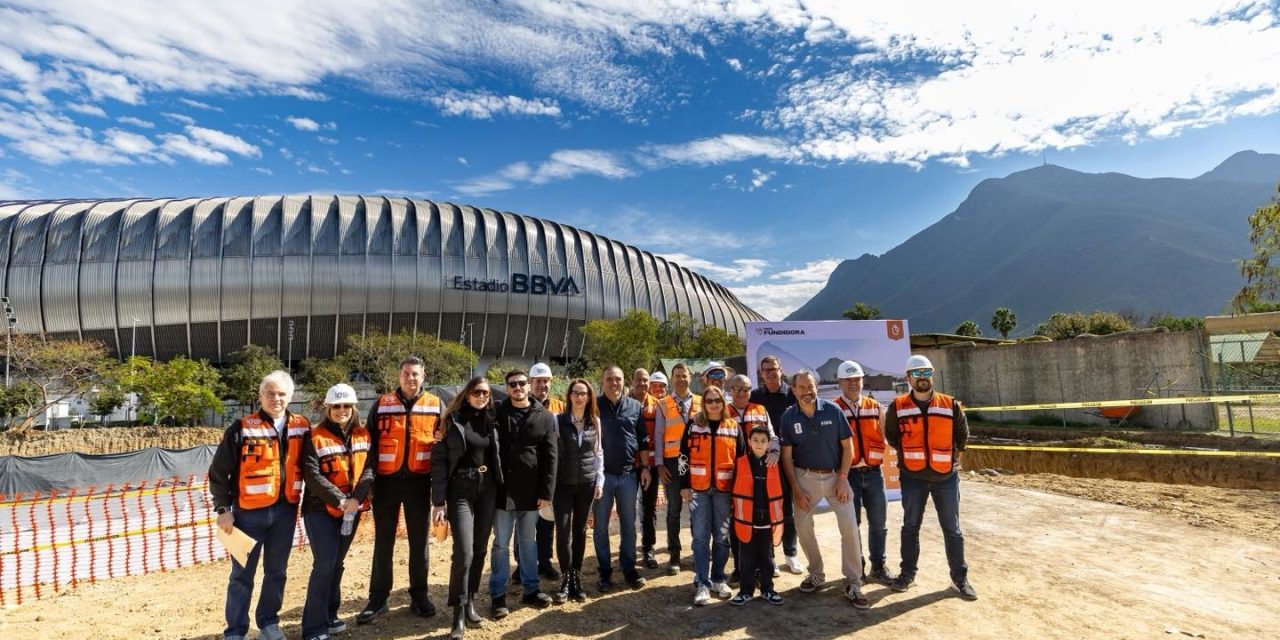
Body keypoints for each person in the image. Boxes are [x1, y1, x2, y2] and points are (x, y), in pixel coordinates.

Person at [209, 370, 309, 640]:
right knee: (241, 576)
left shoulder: (303, 426)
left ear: (290, 397)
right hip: (247, 515)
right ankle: (236, 631)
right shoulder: (242, 428)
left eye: (281, 394)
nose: (276, 398)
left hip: (285, 512)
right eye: (270, 393)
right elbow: (219, 472)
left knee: (277, 572)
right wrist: (223, 509)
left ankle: (268, 623)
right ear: (260, 396)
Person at [884, 354, 977, 600]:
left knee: (952, 530)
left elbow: (962, 435)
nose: (923, 378)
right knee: (910, 526)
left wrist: (950, 460)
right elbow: (892, 437)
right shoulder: (898, 406)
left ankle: (960, 579)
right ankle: (907, 576)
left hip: (945, 477)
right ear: (908, 378)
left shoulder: (950, 404)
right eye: (917, 374)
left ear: (932, 374)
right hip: (913, 477)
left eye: (927, 373)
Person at [359, 356, 443, 624]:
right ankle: (378, 598)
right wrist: (368, 483)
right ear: (399, 375)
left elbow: (443, 446)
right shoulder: (382, 404)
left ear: (423, 375)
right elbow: (368, 445)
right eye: (406, 373)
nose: (410, 378)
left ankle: (419, 595)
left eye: (415, 374)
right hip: (386, 483)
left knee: (419, 542)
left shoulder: (435, 404)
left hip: (420, 483)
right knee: (384, 542)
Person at [779, 371, 870, 609]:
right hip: (804, 477)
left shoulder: (832, 410)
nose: (807, 391)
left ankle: (853, 582)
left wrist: (842, 478)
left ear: (816, 387)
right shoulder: (788, 417)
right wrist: (796, 489)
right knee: (802, 526)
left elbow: (848, 449)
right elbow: (786, 458)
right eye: (802, 387)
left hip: (835, 477)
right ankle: (816, 573)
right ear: (794, 390)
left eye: (811, 386)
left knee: (850, 526)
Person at [299, 383, 374, 640]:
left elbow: (369, 470)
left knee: (336, 563)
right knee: (325, 563)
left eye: (346, 406)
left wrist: (355, 500)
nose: (341, 410)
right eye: (336, 406)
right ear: (328, 408)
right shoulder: (314, 435)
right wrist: (342, 500)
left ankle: (330, 614)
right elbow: (311, 474)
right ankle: (313, 628)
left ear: (353, 408)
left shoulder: (364, 435)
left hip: (352, 509)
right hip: (319, 510)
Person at [432, 376, 504, 640]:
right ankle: (458, 614)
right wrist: (438, 502)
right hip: (460, 489)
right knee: (463, 551)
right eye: (477, 392)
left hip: (488, 490)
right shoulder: (451, 421)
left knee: (480, 548)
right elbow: (439, 462)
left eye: (486, 392)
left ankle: (471, 600)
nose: (482, 396)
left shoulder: (492, 420)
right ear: (467, 393)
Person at [488, 369, 558, 616]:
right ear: (507, 388)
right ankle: (497, 594)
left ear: (529, 386)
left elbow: (551, 457)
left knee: (528, 542)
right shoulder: (496, 412)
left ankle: (531, 589)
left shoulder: (545, 417)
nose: (517, 387)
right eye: (512, 384)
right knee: (500, 545)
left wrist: (546, 492)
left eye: (521, 383)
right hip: (503, 492)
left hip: (531, 492)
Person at [831, 360, 897, 586]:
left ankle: (879, 566)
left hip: (874, 474)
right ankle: (857, 568)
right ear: (839, 382)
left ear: (862, 380)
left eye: (856, 379)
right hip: (848, 476)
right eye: (848, 379)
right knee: (852, 525)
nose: (853, 383)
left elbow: (889, 436)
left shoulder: (876, 407)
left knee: (879, 523)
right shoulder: (833, 410)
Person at [678, 385, 740, 606]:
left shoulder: (733, 427)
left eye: (718, 400)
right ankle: (702, 582)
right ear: (703, 403)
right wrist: (684, 485)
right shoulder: (693, 425)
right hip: (698, 491)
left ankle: (718, 578)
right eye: (709, 400)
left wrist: (739, 491)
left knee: (722, 538)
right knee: (700, 538)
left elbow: (741, 460)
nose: (714, 404)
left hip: (725, 492)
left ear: (723, 403)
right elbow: (683, 456)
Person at [593, 365, 650, 592]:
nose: (614, 383)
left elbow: (643, 439)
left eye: (618, 379)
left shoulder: (635, 406)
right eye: (609, 379)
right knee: (600, 527)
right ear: (602, 381)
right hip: (602, 476)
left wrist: (645, 467)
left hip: (628, 475)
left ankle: (629, 569)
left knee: (629, 525)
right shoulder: (593, 406)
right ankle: (605, 571)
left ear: (624, 382)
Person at [552, 378, 604, 603]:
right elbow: (552, 454)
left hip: (587, 484)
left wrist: (599, 482)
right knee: (563, 532)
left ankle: (576, 577)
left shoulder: (596, 422)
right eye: (576, 392)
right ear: (569, 395)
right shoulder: (558, 421)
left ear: (589, 396)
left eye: (584, 393)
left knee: (580, 531)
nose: (579, 397)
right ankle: (565, 578)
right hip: (563, 485)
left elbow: (599, 453)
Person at [726, 374, 780, 585]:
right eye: (737, 388)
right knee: (737, 519)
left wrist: (774, 451)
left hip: (760, 473)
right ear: (730, 390)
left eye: (745, 389)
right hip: (735, 473)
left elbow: (772, 436)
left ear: (751, 390)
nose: (741, 393)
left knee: (762, 518)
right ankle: (740, 567)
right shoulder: (723, 411)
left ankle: (766, 564)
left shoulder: (760, 410)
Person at [749, 355, 801, 574]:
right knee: (766, 508)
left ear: (781, 371)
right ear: (761, 373)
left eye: (774, 369)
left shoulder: (792, 394)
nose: (770, 373)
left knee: (788, 510)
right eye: (766, 370)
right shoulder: (755, 396)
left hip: (789, 460)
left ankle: (791, 554)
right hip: (764, 462)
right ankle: (769, 556)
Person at [730, 424, 785, 606]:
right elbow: (733, 490)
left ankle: (767, 589)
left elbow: (781, 491)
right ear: (749, 441)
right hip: (746, 521)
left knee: (767, 558)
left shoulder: (775, 464)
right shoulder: (741, 463)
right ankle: (746, 591)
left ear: (769, 443)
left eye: (763, 441)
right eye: (755, 440)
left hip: (767, 522)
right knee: (746, 558)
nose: (759, 444)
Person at [653, 362, 699, 575]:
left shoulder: (700, 402)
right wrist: (660, 464)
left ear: (690, 377)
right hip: (672, 463)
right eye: (677, 375)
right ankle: (674, 554)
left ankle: (698, 553)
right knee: (673, 510)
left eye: (684, 375)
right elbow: (659, 436)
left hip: (696, 462)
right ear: (672, 379)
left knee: (697, 510)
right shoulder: (663, 404)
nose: (681, 379)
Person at [527, 362, 564, 582]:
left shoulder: (561, 407)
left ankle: (545, 562)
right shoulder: (522, 404)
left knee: (547, 521)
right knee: (525, 521)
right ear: (531, 383)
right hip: (528, 474)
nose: (542, 385)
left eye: (546, 381)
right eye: (538, 381)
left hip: (551, 474)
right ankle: (522, 564)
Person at [636, 370, 666, 569]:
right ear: (632, 381)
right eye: (638, 379)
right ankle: (626, 549)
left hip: (651, 466)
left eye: (645, 380)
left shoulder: (658, 406)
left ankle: (648, 548)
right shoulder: (622, 403)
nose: (642, 383)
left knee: (649, 508)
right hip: (628, 466)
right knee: (625, 510)